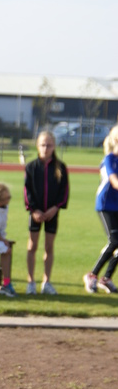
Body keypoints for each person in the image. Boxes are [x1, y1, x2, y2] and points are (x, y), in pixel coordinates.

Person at [24, 130, 69, 295]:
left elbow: (64, 192)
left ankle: (46, 282)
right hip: (35, 213)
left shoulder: (61, 167)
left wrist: (55, 208)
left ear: (54, 146)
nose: (45, 148)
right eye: (43, 145)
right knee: (32, 246)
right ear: (37, 145)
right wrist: (34, 210)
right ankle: (30, 282)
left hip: (52, 213)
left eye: (49, 145)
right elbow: (27, 191)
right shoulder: (31, 167)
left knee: (49, 247)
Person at [83, 125, 118, 294]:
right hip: (105, 205)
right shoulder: (110, 158)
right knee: (115, 240)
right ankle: (92, 275)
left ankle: (107, 278)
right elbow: (114, 181)